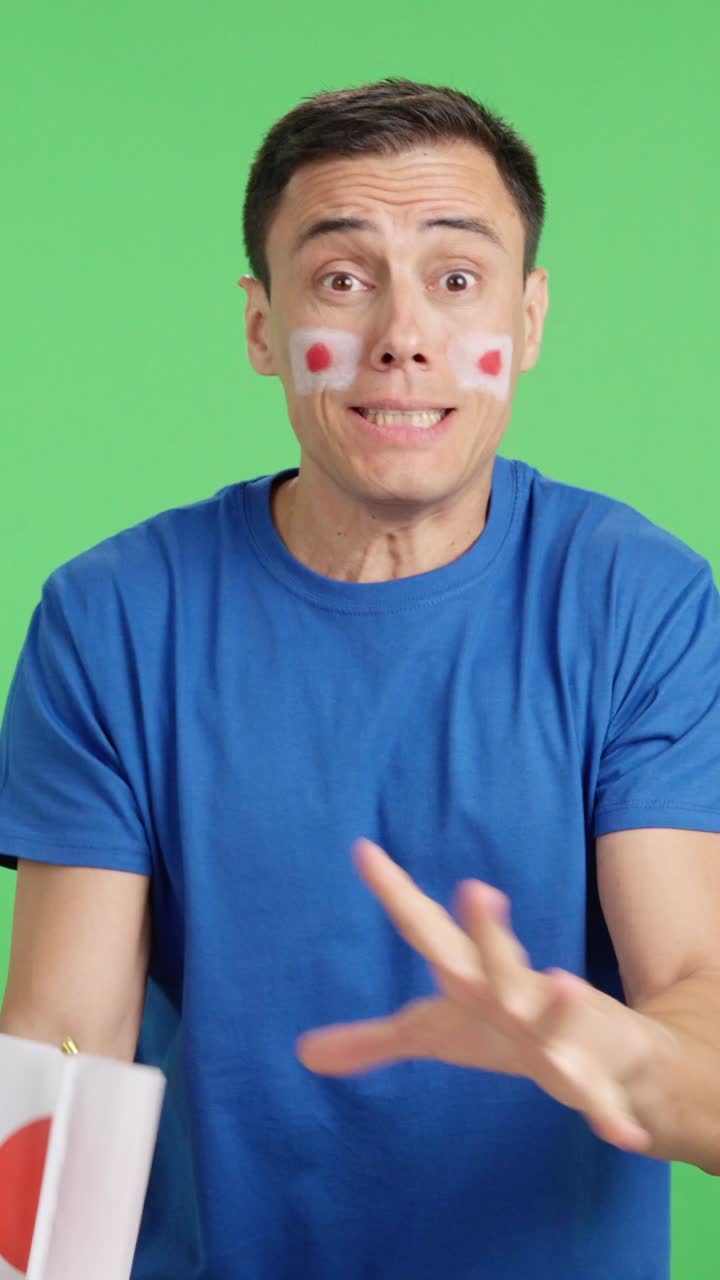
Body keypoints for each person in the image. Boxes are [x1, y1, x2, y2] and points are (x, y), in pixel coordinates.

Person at [1, 77, 720, 1280]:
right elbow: (67, 1042)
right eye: (342, 278)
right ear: (261, 325)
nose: (401, 334)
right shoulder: (112, 615)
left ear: (528, 320)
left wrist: (615, 1055)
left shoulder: (637, 600)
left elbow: (697, 987)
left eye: (454, 278)